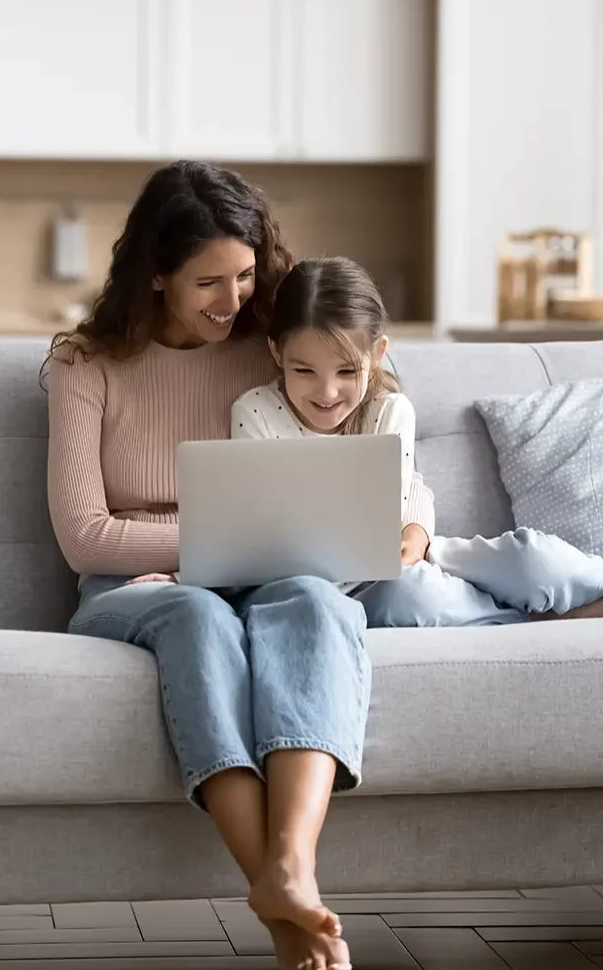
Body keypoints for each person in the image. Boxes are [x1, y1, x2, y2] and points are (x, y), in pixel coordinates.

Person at [44, 161, 437, 970]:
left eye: (247, 273)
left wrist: (414, 526)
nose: (232, 299)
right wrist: (212, 546)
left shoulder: (270, 348)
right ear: (155, 274)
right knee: (198, 615)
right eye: (207, 282)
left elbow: (386, 441)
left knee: (319, 603)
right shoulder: (85, 366)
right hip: (136, 586)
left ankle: (292, 864)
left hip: (261, 568)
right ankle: (279, 905)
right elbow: (85, 535)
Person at [232, 255, 603, 626]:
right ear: (276, 352)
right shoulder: (255, 413)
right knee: (419, 597)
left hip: (407, 558)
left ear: (377, 354)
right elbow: (255, 526)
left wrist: (418, 535)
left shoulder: (390, 411)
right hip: (354, 588)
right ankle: (543, 618)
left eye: (347, 371)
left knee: (531, 558)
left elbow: (406, 491)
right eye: (304, 371)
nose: (327, 392)